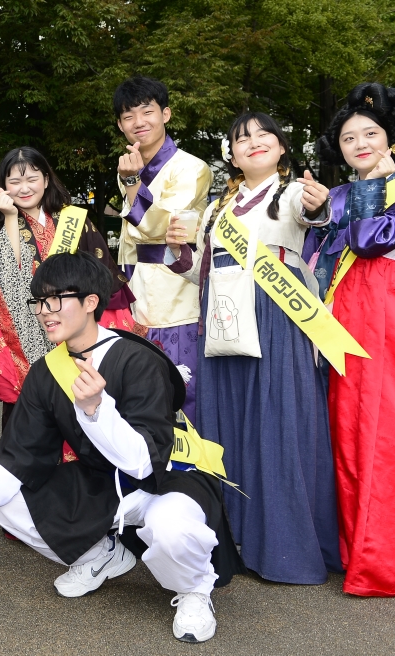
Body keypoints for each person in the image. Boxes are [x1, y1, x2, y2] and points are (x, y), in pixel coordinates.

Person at [0, 251, 243, 644]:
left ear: (91, 302)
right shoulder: (47, 372)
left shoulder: (137, 361)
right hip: (102, 481)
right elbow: (16, 462)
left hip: (169, 480)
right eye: (39, 301)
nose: (44, 311)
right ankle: (100, 555)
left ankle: (194, 590)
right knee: (5, 499)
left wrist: (96, 410)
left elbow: (145, 462)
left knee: (173, 530)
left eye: (56, 300)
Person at [165, 112, 341, 584]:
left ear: (282, 147)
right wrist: (179, 250)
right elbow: (195, 267)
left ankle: (286, 547)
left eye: (264, 135)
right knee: (231, 423)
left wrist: (320, 204)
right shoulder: (217, 208)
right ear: (232, 154)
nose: (254, 143)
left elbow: (316, 218)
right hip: (222, 315)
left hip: (275, 314)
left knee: (278, 419)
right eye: (243, 139)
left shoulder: (292, 194)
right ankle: (239, 538)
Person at [310, 82, 395, 596]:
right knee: (345, 427)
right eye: (348, 139)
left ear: (391, 139)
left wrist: (353, 201)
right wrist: (321, 214)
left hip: (390, 315)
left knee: (388, 429)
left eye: (370, 134)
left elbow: (366, 242)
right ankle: (349, 547)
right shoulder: (339, 194)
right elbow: (316, 245)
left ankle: (388, 558)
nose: (360, 144)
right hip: (343, 314)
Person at [0, 146, 138, 428]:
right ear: (3, 187)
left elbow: (103, 278)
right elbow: (10, 286)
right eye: (14, 182)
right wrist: (8, 217)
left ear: (46, 179)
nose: (24, 188)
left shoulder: (74, 220)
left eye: (32, 178)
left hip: (80, 333)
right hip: (31, 334)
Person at [113, 76, 212, 422]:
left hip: (177, 297)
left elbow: (161, 226)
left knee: (183, 394)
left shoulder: (193, 168)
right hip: (134, 297)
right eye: (128, 116)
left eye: (147, 111)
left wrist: (131, 184)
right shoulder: (129, 167)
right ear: (120, 126)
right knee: (138, 400)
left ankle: (193, 475)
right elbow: (129, 241)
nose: (138, 122)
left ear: (166, 114)